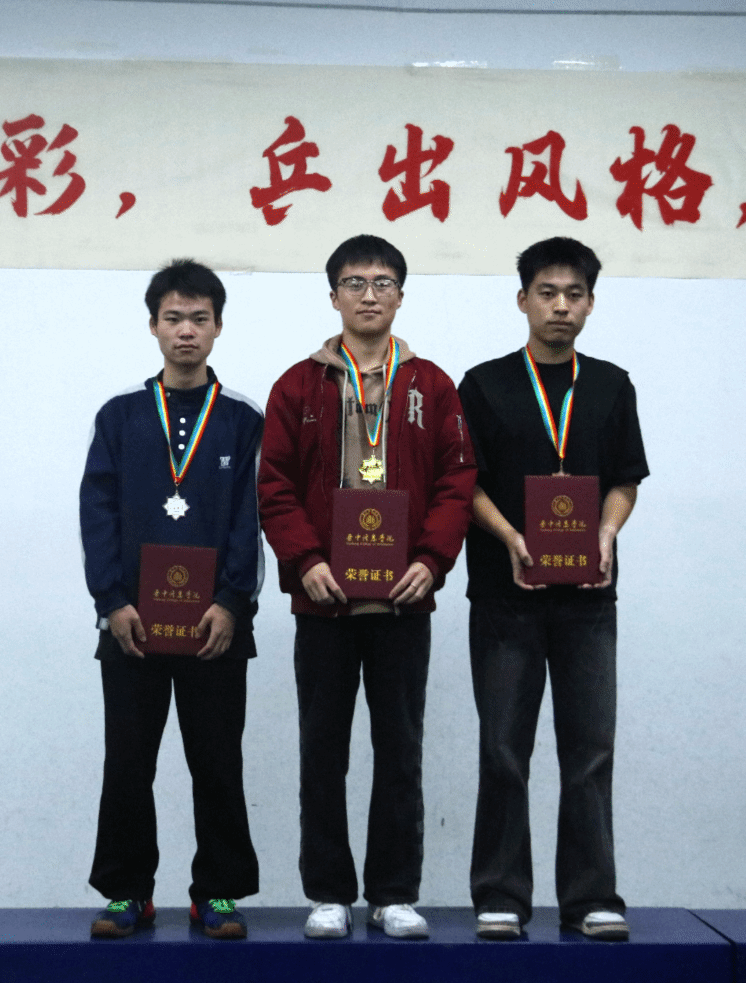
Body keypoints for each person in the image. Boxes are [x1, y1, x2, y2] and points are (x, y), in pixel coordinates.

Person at [258, 234, 475, 940]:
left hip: (403, 601)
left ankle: (393, 892)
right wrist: (305, 560)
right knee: (322, 750)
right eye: (355, 282)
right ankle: (328, 892)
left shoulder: (432, 386)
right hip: (323, 600)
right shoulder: (298, 386)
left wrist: (432, 560)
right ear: (333, 296)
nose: (369, 294)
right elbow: (275, 485)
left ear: (401, 296)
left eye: (383, 282)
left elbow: (457, 481)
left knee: (400, 750)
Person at [457, 237, 649, 941]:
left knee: (590, 753)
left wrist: (606, 532)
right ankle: (501, 895)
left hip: (588, 600)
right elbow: (464, 484)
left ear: (591, 304)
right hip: (504, 596)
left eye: (574, 294)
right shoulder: (483, 385)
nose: (560, 306)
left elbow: (625, 479)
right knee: (504, 751)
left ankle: (592, 897)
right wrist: (510, 536)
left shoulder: (612, 386)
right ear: (523, 300)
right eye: (547, 293)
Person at [79, 259, 264, 940]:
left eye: (199, 319)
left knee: (217, 762)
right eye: (174, 318)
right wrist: (112, 601)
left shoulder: (243, 419)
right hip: (132, 625)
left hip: (216, 627)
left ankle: (219, 892)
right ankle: (127, 892)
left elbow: (252, 516)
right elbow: (97, 511)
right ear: (153, 326)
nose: (186, 331)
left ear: (218, 327)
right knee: (128, 763)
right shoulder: (120, 415)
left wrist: (232, 601)